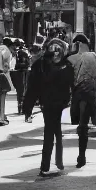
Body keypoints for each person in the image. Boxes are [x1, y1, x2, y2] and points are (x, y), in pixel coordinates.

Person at [23, 44, 74, 176]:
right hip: (55, 103)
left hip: (48, 103)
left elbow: (32, 88)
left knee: (51, 131)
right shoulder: (65, 65)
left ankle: (49, 164)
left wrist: (28, 107)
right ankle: (52, 163)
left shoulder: (39, 65)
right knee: (53, 130)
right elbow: (70, 83)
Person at [66, 35, 96, 168]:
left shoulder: (70, 58)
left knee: (81, 125)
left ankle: (81, 155)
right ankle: (82, 154)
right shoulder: (94, 56)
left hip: (78, 93)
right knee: (84, 125)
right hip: (90, 92)